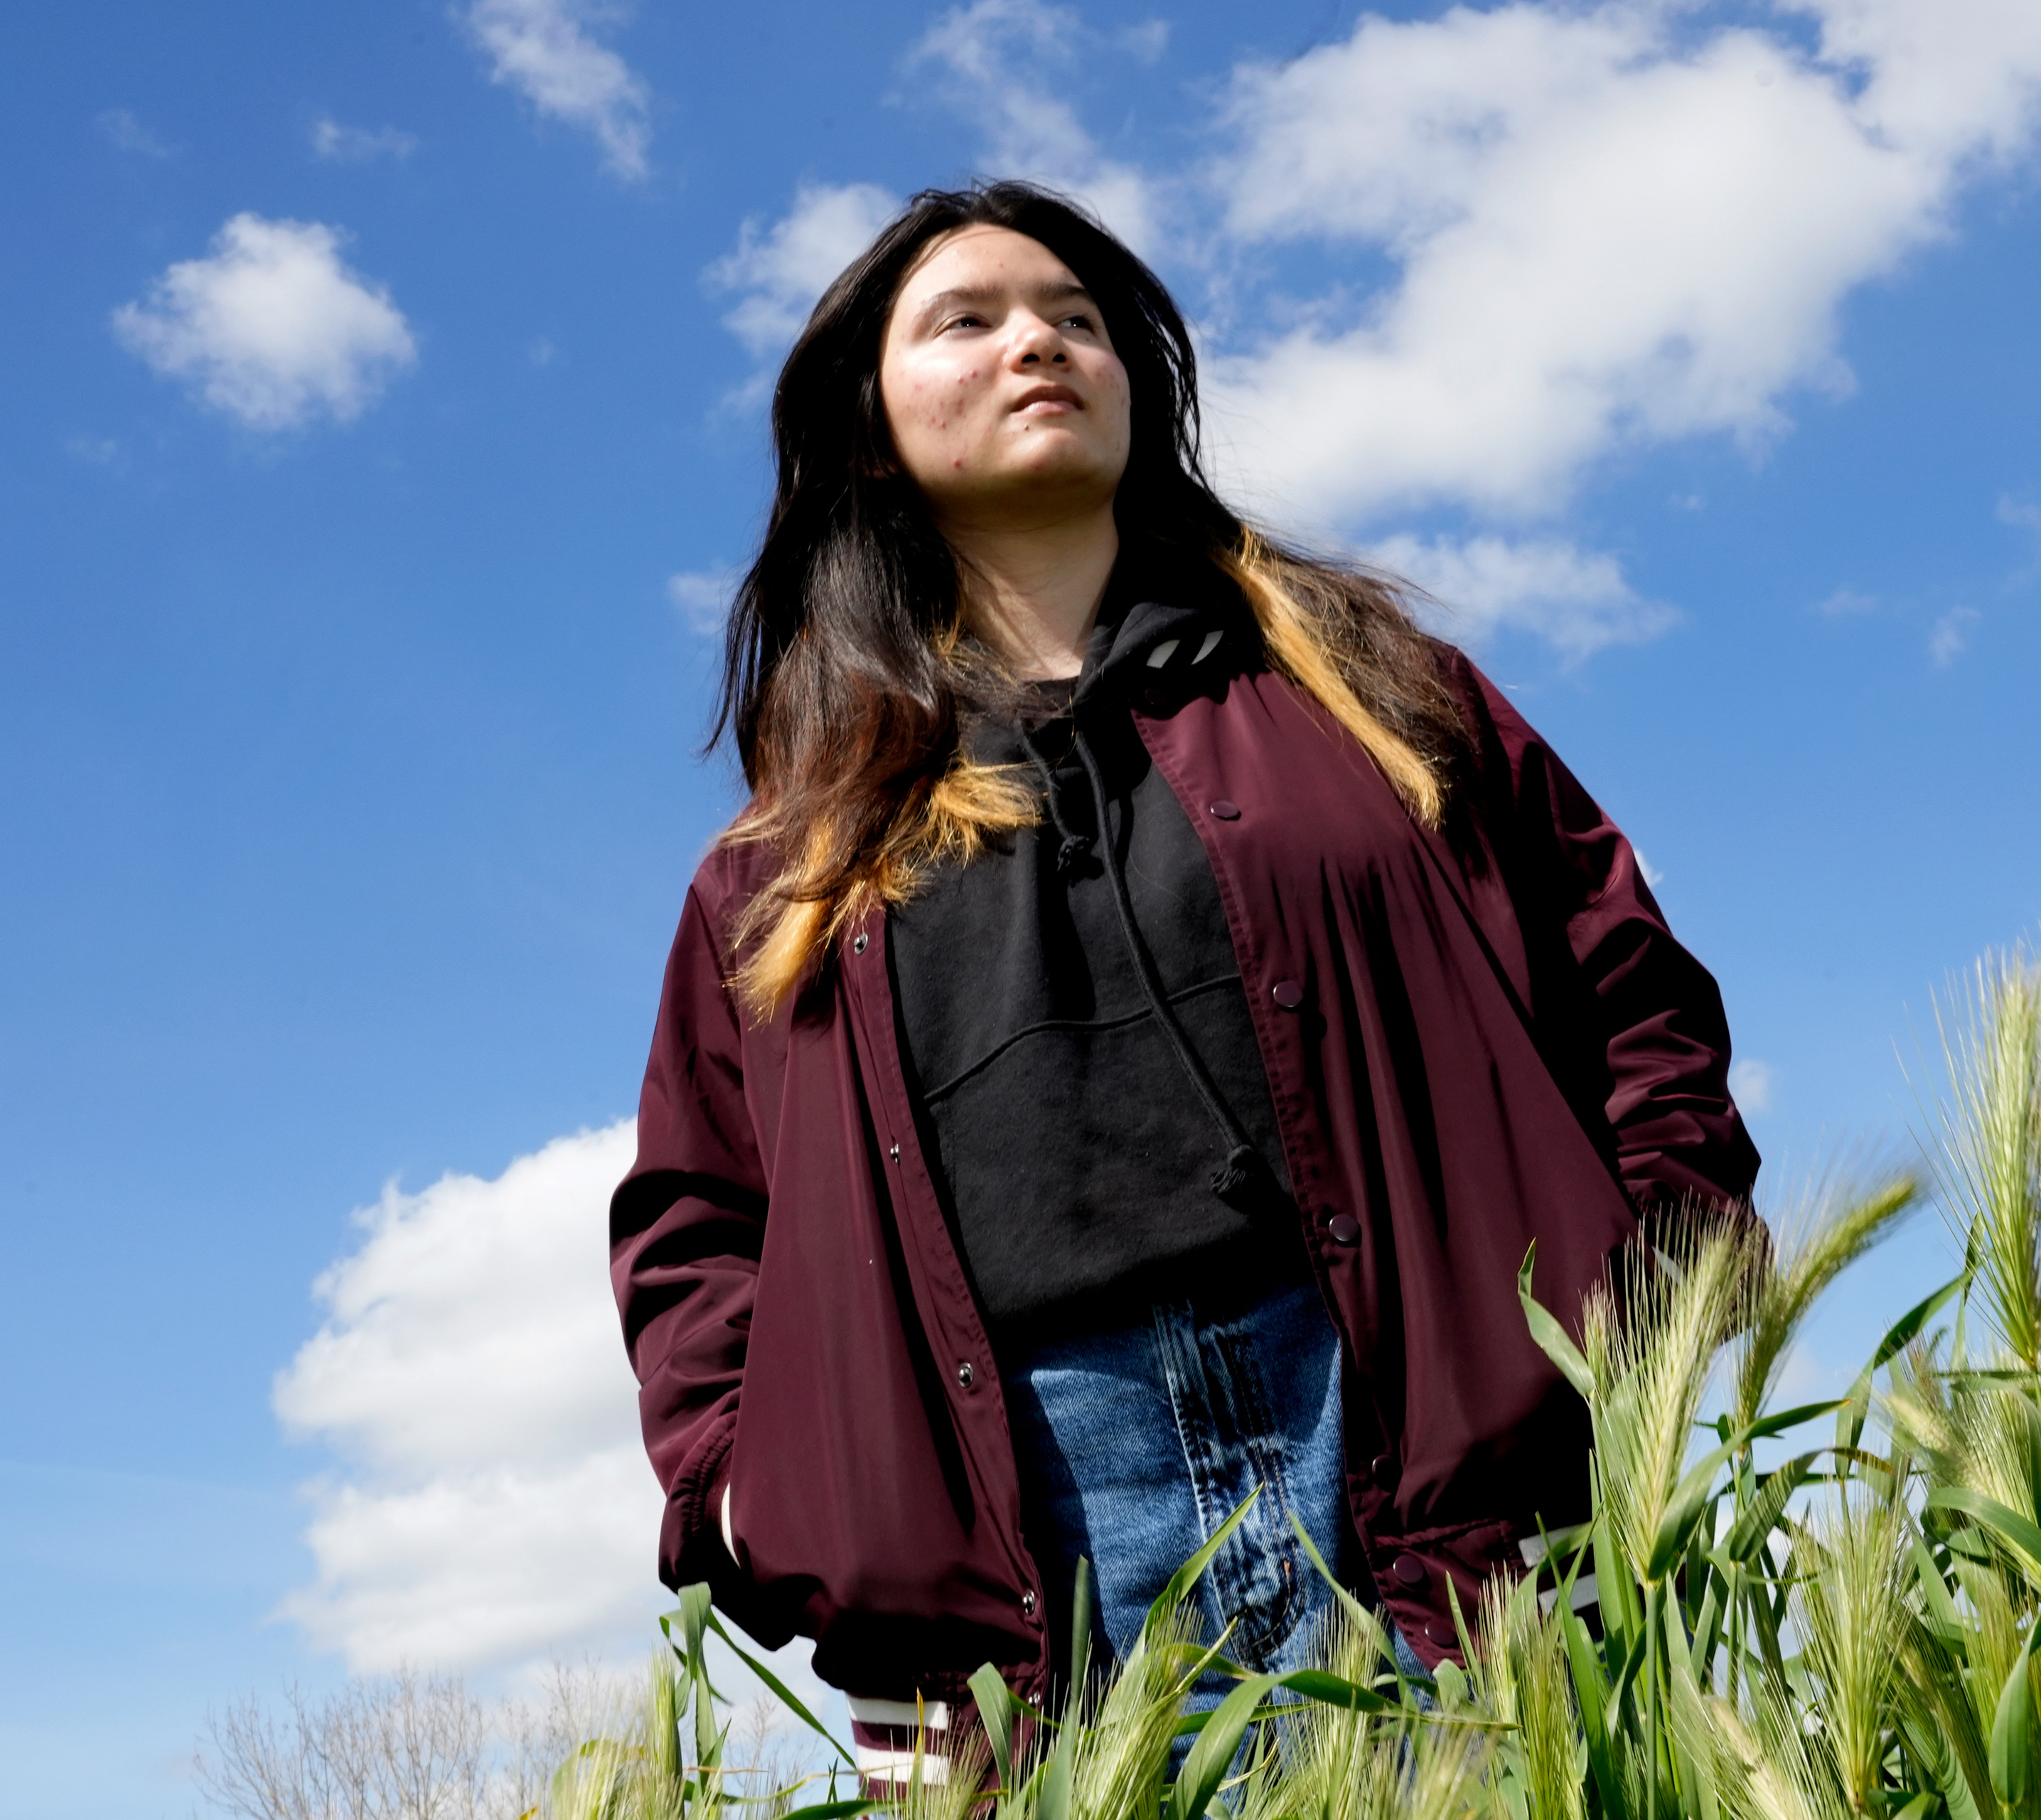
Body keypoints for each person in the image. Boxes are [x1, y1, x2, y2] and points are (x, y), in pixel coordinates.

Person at [610, 181, 1760, 1785]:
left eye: (1078, 317)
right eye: (971, 319)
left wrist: (1656, 1267)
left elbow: (1615, 964)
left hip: (1427, 1467)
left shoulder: (1362, 686)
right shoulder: (781, 862)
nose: (1041, 341)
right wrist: (749, 1490)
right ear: (870, 431)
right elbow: (695, 1217)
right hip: (1017, 1557)